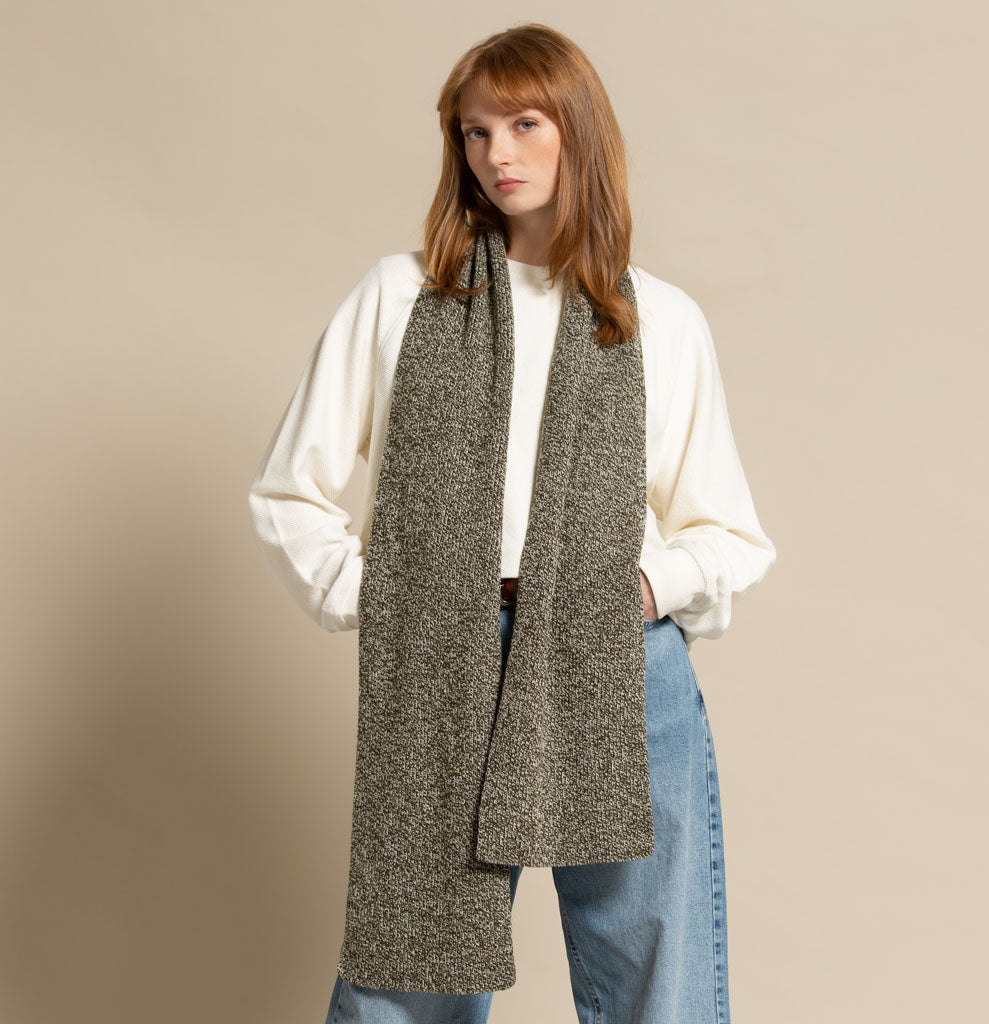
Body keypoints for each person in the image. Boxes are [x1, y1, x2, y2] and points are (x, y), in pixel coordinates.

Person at [248, 22, 776, 1024]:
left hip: (615, 662)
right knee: (410, 972)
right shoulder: (400, 297)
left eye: (525, 124)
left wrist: (642, 590)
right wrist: (388, 597)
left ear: (577, 131)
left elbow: (728, 534)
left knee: (656, 981)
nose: (497, 153)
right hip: (441, 659)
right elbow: (289, 494)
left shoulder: (658, 320)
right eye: (474, 131)